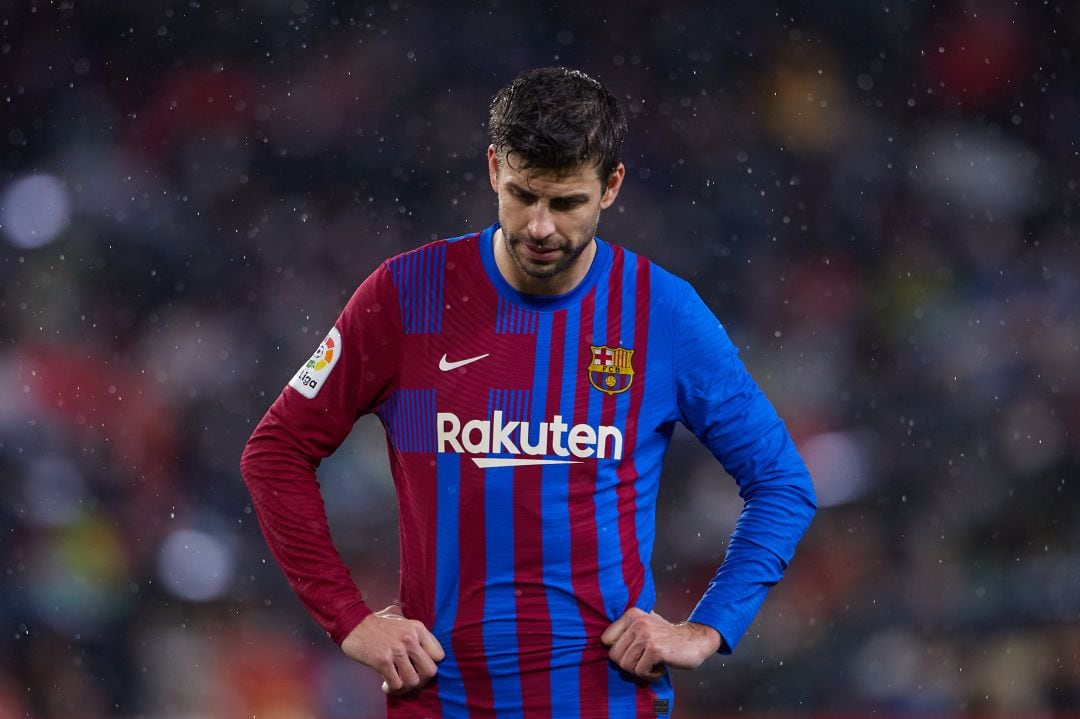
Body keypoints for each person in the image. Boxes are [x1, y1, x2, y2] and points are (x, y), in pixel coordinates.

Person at [240, 66, 816, 717]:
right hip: (443, 700)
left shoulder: (663, 313)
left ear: (612, 186)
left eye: (566, 202)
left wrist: (708, 627)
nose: (540, 226)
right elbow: (275, 451)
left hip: (605, 700)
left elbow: (782, 481)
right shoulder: (406, 296)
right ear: (493, 168)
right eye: (522, 195)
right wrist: (347, 619)